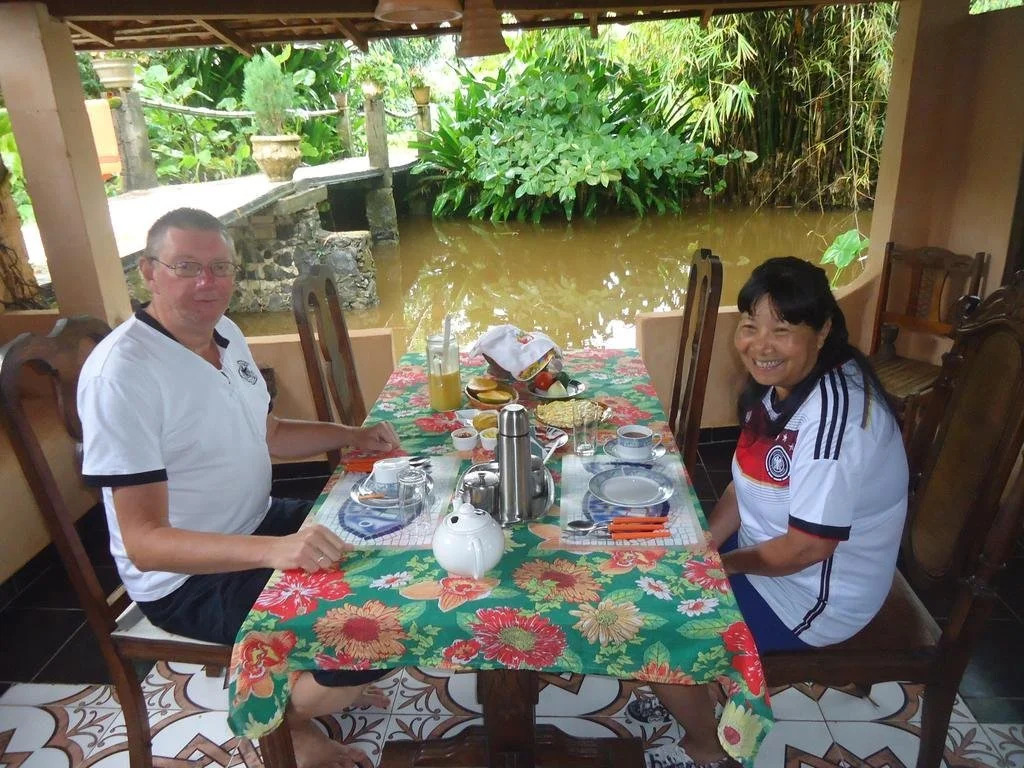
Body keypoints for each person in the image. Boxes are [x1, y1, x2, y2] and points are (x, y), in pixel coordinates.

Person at [78, 207, 401, 768]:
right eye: (186, 266)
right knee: (372, 625)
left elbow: (269, 434)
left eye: (220, 267)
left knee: (389, 541)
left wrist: (352, 435)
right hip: (186, 580)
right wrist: (276, 551)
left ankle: (315, 681)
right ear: (148, 272)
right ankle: (284, 724)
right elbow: (145, 543)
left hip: (256, 519)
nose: (208, 282)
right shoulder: (123, 375)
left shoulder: (225, 333)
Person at [640, 257, 909, 768]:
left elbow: (808, 548)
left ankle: (707, 747)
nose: (761, 346)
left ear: (822, 331)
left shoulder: (833, 422)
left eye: (782, 330)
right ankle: (695, 689)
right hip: (769, 556)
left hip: (811, 596)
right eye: (750, 326)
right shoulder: (777, 387)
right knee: (652, 563)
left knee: (655, 629)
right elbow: (745, 483)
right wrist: (704, 549)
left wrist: (721, 567)